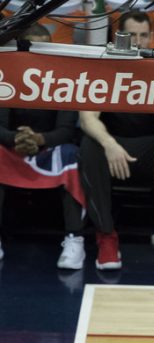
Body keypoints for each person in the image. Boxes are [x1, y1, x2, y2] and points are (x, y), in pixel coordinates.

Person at [78, 11, 154, 270]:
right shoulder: (102, 67)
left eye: (144, 36)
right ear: (118, 36)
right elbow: (87, 119)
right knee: (89, 146)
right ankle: (106, 237)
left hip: (152, 149)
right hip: (115, 149)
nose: (139, 42)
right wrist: (109, 144)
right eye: (132, 36)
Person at [0, 24, 85, 269]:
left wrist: (39, 140)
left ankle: (74, 238)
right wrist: (17, 139)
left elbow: (67, 130)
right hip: (13, 148)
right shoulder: (7, 74)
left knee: (71, 156)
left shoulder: (63, 78)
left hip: (48, 149)